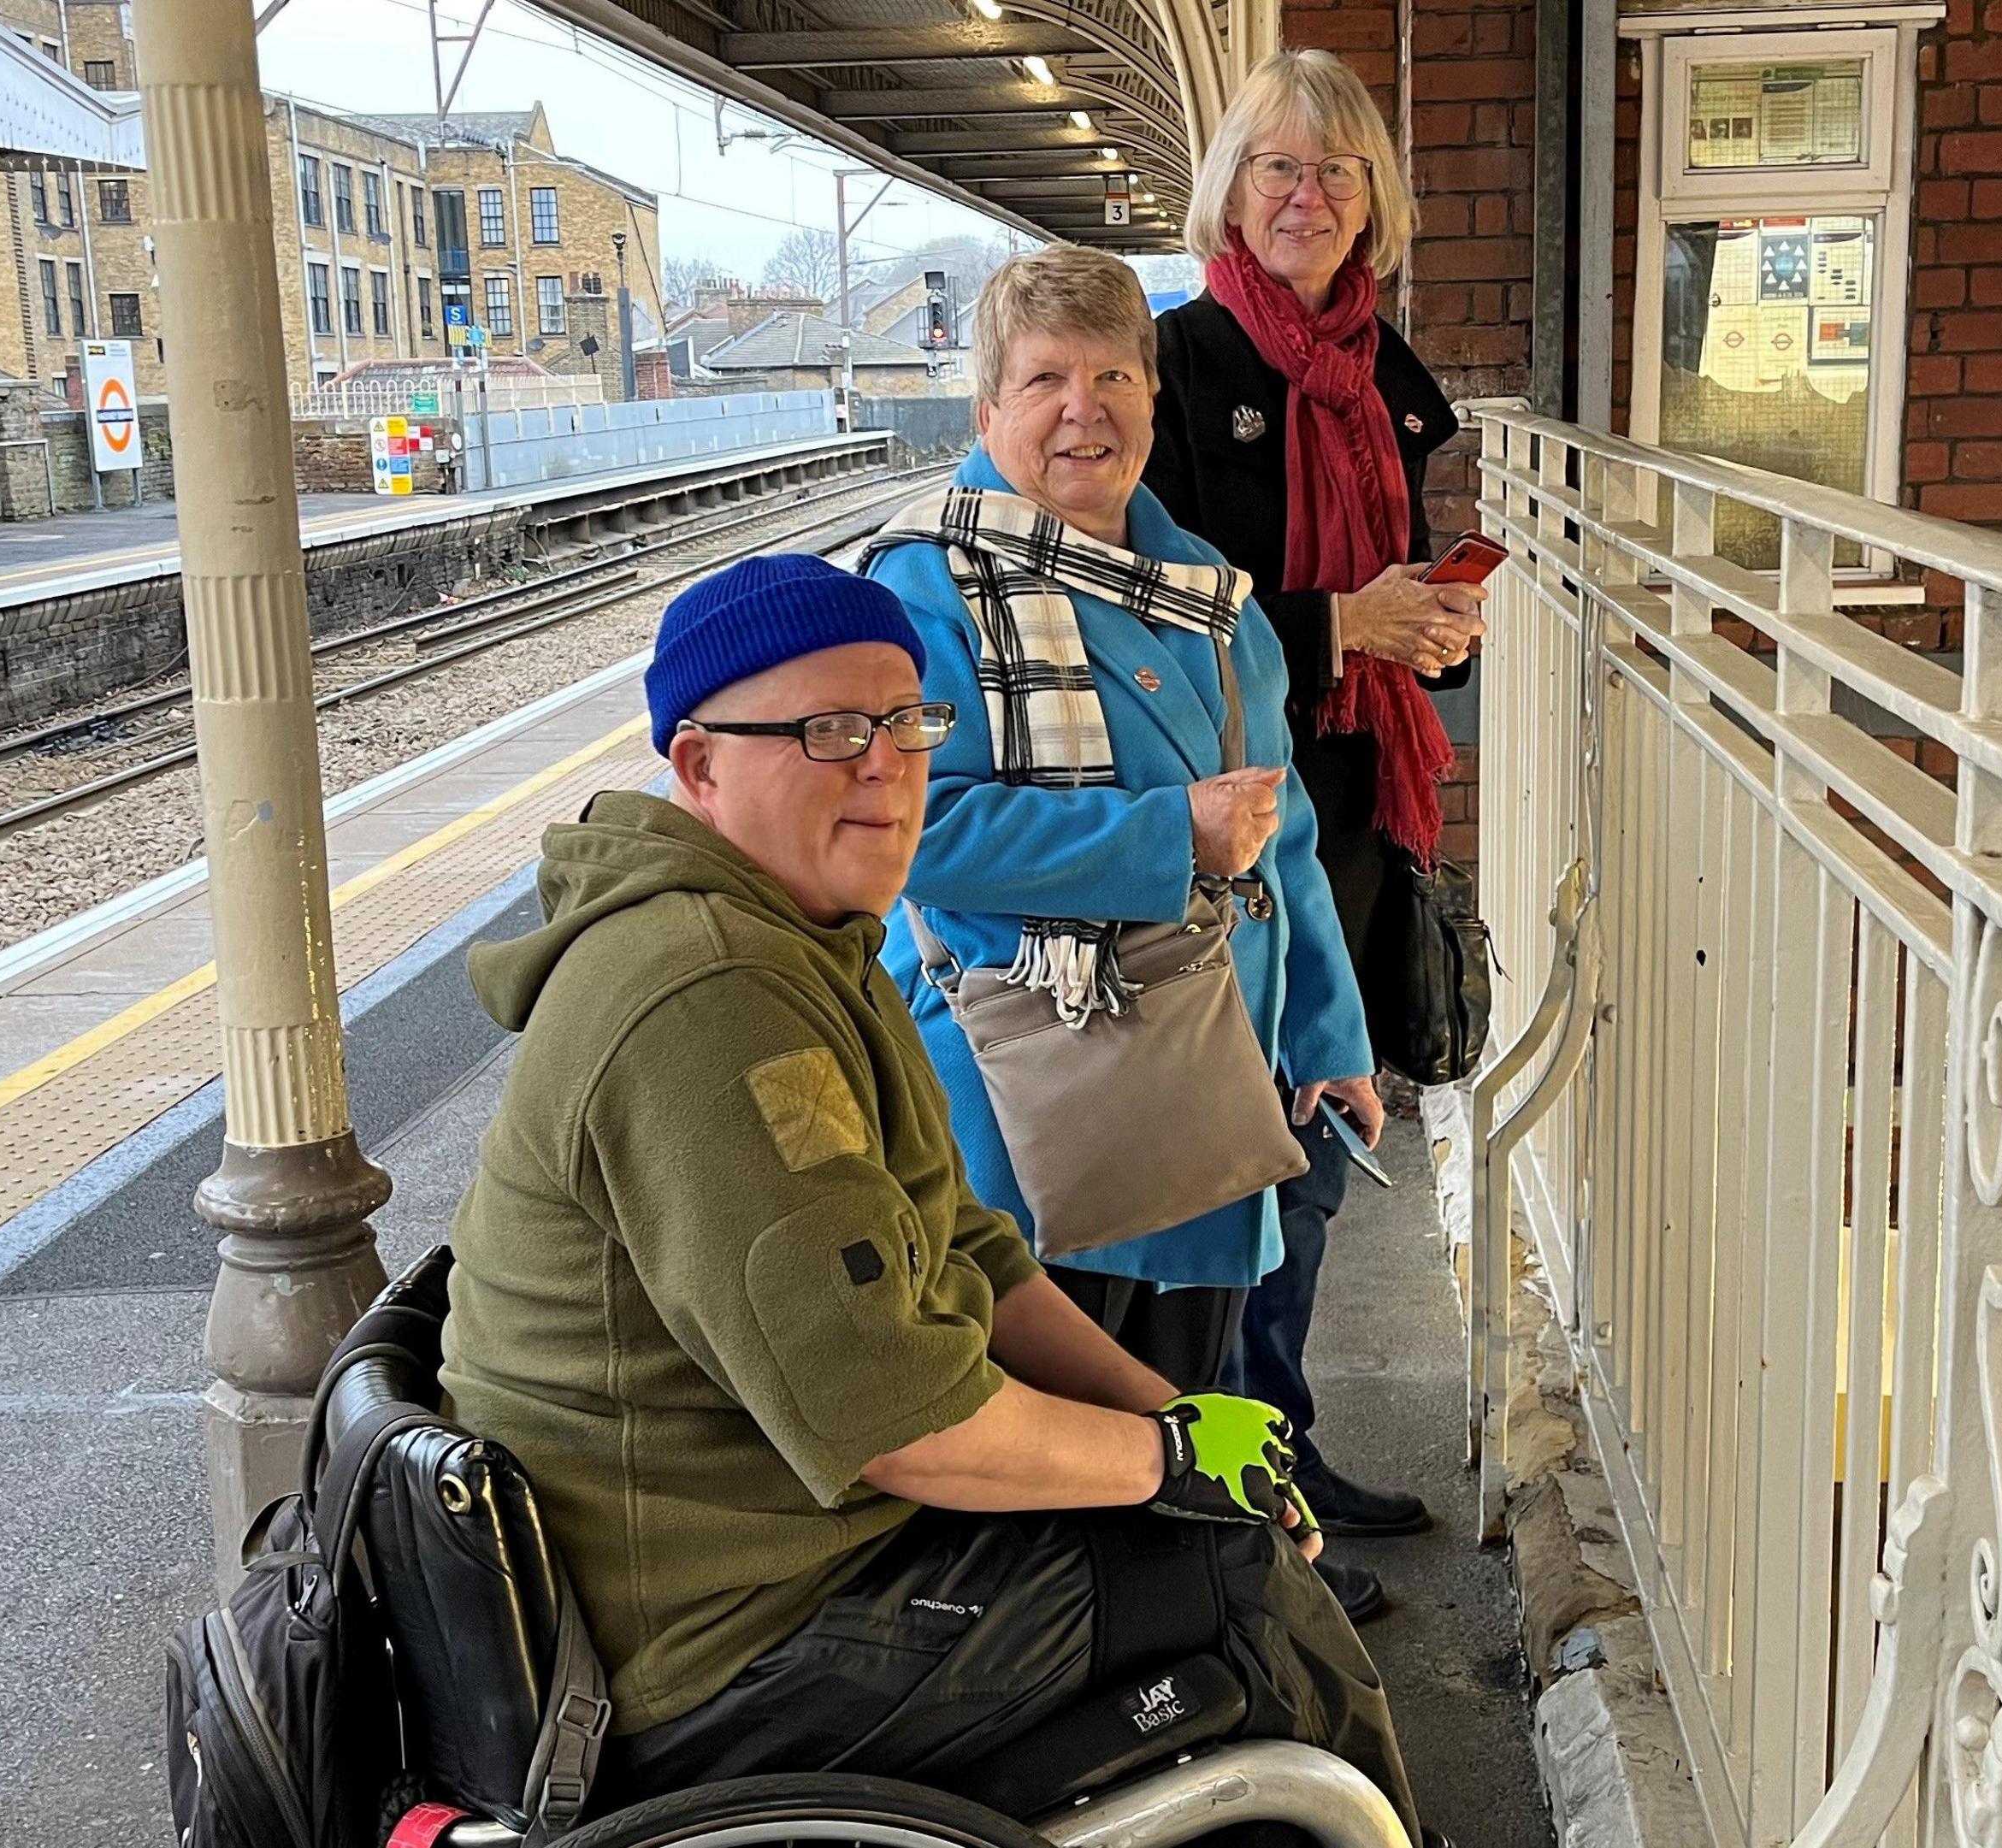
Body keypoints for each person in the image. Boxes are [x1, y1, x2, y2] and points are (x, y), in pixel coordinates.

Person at [435, 552, 1417, 1834]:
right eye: (827, 731)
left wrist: (1179, 1421)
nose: (887, 764)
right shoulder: (705, 997)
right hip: (719, 1633)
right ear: (698, 765)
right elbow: (901, 1417)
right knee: (1237, 1594)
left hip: (782, 1539)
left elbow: (967, 1247)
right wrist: (1169, 1464)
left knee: (1200, 1535)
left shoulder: (806, 939)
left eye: (907, 721)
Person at [861, 245, 1376, 1429]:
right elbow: (915, 829)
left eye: (1114, 377)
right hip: (1023, 1091)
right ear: (988, 408)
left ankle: (1207, 1601)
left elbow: (1281, 827)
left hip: (1197, 1079)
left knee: (1191, 1407)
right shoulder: (925, 587)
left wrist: (1325, 1033)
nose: (1082, 410)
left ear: (1153, 399)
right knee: (1050, 1435)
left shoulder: (1201, 585)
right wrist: (1165, 834)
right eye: (1044, 380)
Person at [1143, 48, 1485, 1562]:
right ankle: (1217, 1493)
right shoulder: (1169, 368)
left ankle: (1273, 1449)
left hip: (1348, 809)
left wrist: (1432, 636)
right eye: (1278, 166)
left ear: (1375, 206)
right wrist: (1344, 623)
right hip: (1216, 820)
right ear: (1231, 188)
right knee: (1221, 1167)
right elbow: (1153, 620)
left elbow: (1391, 615)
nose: (1307, 193)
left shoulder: (1384, 391)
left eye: (1338, 170)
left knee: (1320, 1142)